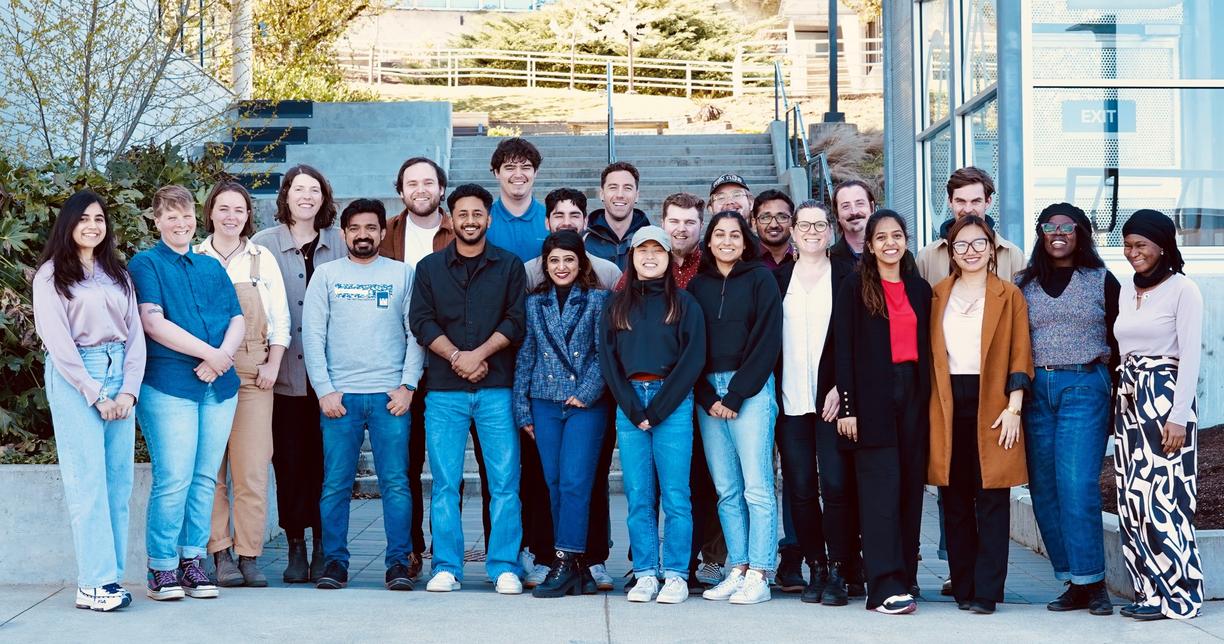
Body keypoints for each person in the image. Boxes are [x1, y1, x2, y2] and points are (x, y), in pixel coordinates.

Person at [409, 183, 528, 595]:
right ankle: (446, 566)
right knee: (444, 483)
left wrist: (479, 354)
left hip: (497, 388)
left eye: (478, 214)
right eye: (463, 214)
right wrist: (459, 356)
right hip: (443, 391)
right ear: (451, 218)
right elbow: (421, 322)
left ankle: (504, 566)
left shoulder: (510, 266)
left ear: (488, 218)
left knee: (505, 482)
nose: (471, 221)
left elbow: (516, 321)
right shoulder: (429, 269)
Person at [129, 185, 245, 601]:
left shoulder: (211, 267)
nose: (180, 223)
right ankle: (161, 567)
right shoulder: (145, 264)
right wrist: (210, 354)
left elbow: (237, 318)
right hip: (170, 385)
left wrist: (222, 358)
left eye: (186, 215)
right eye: (170, 216)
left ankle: (193, 561)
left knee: (203, 478)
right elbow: (154, 324)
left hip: (219, 387)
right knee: (174, 478)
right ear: (156, 221)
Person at [33, 190, 146, 612]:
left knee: (118, 484)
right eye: (84, 219)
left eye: (99, 219)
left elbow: (135, 334)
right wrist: (96, 393)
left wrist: (128, 390)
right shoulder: (51, 276)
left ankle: (109, 579)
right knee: (88, 484)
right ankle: (92, 583)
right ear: (68, 224)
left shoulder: (116, 273)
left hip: (120, 374)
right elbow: (58, 344)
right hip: (77, 375)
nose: (93, 226)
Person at [303, 199, 424, 591]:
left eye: (371, 228)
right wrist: (324, 390)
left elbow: (415, 333)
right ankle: (335, 563)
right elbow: (313, 335)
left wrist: (408, 386)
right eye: (354, 228)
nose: (363, 235)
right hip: (341, 398)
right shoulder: (325, 275)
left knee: (397, 483)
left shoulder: (403, 274)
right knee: (336, 484)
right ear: (343, 234)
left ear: (383, 232)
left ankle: (397, 563)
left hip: (391, 398)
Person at [1014, 203, 1118, 616]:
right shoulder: (1024, 283)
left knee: (1076, 485)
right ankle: (1070, 581)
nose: (1058, 233)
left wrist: (1116, 395)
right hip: (1037, 389)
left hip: (1084, 384)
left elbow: (1119, 337)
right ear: (1041, 233)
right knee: (1044, 490)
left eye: (1067, 226)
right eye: (1049, 226)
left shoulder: (1101, 280)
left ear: (1080, 233)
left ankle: (1093, 583)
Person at [929, 215, 1033, 615]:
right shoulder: (937, 295)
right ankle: (964, 586)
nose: (970, 251)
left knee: (992, 497)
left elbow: (1020, 352)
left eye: (978, 244)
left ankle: (987, 591)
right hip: (947, 401)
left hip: (994, 401)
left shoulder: (1009, 295)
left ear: (991, 248)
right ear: (951, 252)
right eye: (961, 245)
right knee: (953, 498)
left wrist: (1014, 407)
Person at [599, 226, 706, 604]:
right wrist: (632, 407)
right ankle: (645, 571)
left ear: (667, 257)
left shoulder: (685, 304)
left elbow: (693, 359)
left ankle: (675, 572)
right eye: (641, 251)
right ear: (631, 256)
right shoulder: (615, 306)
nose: (649, 257)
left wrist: (658, 409)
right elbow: (608, 361)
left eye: (657, 251)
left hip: (672, 404)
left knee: (676, 494)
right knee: (639, 495)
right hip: (630, 405)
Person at [251, 165, 346, 583]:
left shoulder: (340, 245)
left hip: (332, 378)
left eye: (315, 190)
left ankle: (326, 544)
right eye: (298, 189)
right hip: (283, 376)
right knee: (289, 464)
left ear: (324, 198)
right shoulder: (262, 245)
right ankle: (295, 545)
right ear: (286, 196)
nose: (306, 196)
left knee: (328, 464)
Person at [835, 209, 932, 616]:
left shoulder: (920, 288)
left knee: (910, 488)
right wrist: (847, 406)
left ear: (905, 241)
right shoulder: (854, 286)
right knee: (880, 492)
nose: (890, 243)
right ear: (870, 246)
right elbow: (843, 349)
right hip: (871, 399)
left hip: (913, 394)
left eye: (897, 235)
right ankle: (883, 586)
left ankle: (905, 575)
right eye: (882, 237)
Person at [524, 188, 620, 591]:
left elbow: (605, 352)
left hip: (586, 403)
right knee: (554, 482)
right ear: (545, 265)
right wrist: (522, 411)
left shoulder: (599, 299)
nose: (561, 266)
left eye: (569, 259)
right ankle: (571, 562)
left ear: (581, 262)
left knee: (579, 481)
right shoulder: (534, 301)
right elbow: (525, 356)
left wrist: (587, 391)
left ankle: (567, 561)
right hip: (543, 401)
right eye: (554, 261)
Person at [196, 182, 290, 588]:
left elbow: (281, 319)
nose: (231, 216)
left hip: (253, 372)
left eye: (239, 209)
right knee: (210, 470)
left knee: (251, 468)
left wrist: (273, 363)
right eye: (224, 209)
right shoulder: (194, 256)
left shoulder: (261, 258)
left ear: (248, 215)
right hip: (204, 371)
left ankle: (249, 556)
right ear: (211, 213)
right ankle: (220, 553)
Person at [687, 212, 782, 605]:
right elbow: (688, 345)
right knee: (726, 490)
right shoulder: (696, 286)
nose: (726, 241)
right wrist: (708, 397)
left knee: (757, 488)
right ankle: (737, 568)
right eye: (718, 234)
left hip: (752, 391)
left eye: (734, 235)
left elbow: (767, 341)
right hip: (709, 395)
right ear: (708, 243)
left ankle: (760, 572)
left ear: (746, 242)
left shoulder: (761, 279)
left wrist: (737, 395)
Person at [1113, 209, 1203, 621]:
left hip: (1165, 401)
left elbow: (1190, 357)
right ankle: (1148, 591)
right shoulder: (1128, 288)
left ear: (1162, 246)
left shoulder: (1183, 290)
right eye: (1128, 245)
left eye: (1141, 246)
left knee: (1165, 501)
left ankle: (1181, 594)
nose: (1133, 253)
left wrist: (1178, 417)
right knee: (1132, 500)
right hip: (1130, 403)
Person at [377, 155, 456, 580]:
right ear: (401, 189)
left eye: (429, 182)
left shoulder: (458, 229)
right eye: (412, 183)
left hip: (449, 365)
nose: (420, 189)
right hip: (397, 367)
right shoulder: (386, 233)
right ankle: (408, 552)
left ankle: (449, 550)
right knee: (403, 466)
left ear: (441, 189)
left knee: (448, 467)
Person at [773, 200, 852, 605]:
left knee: (836, 485)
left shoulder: (847, 274)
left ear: (830, 230)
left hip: (832, 401)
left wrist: (842, 386)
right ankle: (816, 567)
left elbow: (855, 338)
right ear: (793, 230)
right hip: (790, 401)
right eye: (804, 224)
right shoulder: (778, 277)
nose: (812, 231)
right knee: (801, 488)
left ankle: (839, 569)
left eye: (820, 224)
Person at [916, 167, 1025, 284]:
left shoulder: (1013, 256)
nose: (968, 210)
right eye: (961, 201)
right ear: (950, 201)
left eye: (975, 201)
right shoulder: (926, 258)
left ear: (988, 202)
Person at [525, 188, 622, 290]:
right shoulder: (529, 273)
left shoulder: (609, 273)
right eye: (559, 216)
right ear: (547, 222)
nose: (567, 223)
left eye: (574, 216)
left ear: (585, 222)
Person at [486, 137, 549, 261]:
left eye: (525, 167)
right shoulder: (482, 221)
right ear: (496, 172)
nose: (518, 175)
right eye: (510, 168)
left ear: (535, 172)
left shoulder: (551, 220)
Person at [584, 162, 650, 270]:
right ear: (602, 194)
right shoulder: (584, 240)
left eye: (627, 188)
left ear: (637, 196)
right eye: (613, 187)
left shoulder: (651, 239)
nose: (620, 195)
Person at [829, 180, 873, 267]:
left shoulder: (894, 255)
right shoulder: (827, 262)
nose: (854, 212)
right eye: (845, 206)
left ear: (872, 207)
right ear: (837, 214)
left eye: (859, 203)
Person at [751, 190, 795, 271]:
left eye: (782, 217)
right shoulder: (745, 262)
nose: (773, 225)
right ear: (754, 224)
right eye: (765, 218)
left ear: (793, 222)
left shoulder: (804, 261)